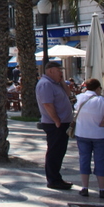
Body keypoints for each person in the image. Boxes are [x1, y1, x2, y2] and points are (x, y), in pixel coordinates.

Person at [36, 60, 75, 190]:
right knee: (54, 152)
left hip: (62, 123)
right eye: (59, 71)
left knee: (59, 151)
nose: (61, 73)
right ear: (51, 71)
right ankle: (53, 180)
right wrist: (57, 120)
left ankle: (57, 178)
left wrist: (62, 81)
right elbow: (47, 104)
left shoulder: (56, 83)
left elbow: (68, 94)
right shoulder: (45, 84)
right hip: (55, 124)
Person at [73, 78, 104, 198]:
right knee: (100, 161)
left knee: (84, 159)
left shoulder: (80, 98)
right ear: (97, 88)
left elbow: (75, 109)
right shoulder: (102, 100)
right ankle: (102, 189)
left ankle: (84, 188)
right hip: (100, 134)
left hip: (82, 133)